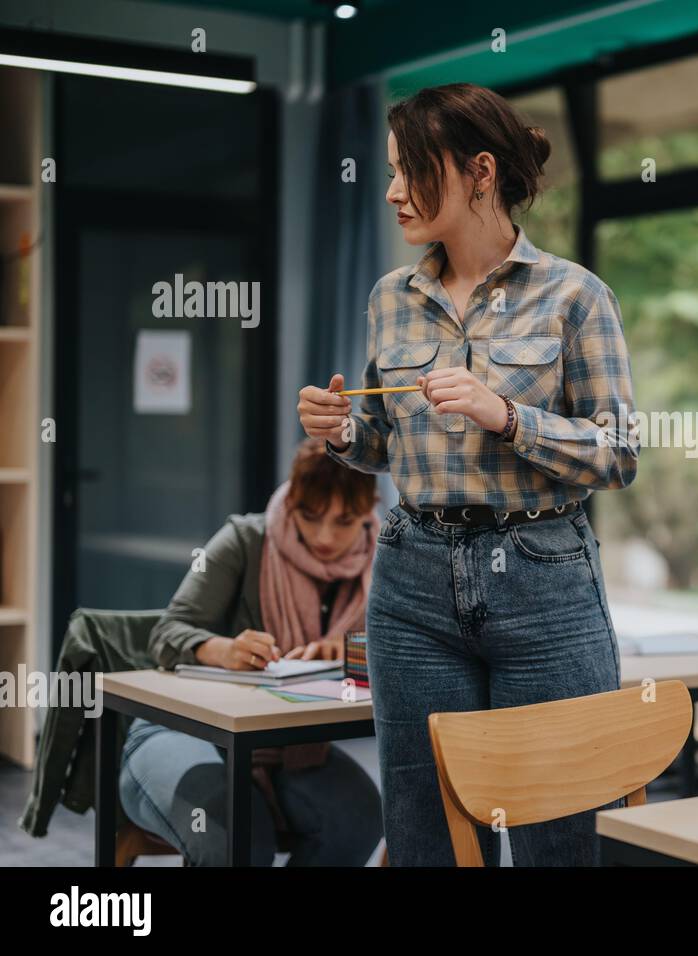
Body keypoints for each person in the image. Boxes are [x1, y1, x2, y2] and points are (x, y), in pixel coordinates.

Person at [296, 83, 638, 865]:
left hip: (544, 582)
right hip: (412, 582)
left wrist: (507, 416)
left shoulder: (575, 296)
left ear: (479, 171)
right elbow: (387, 441)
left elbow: (619, 454)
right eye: (386, 171)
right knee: (425, 836)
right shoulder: (391, 300)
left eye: (406, 171)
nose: (390, 192)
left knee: (557, 835)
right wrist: (344, 430)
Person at [118, 438, 384, 865]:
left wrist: (354, 648)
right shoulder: (244, 540)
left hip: (283, 746)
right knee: (237, 832)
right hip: (182, 731)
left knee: (359, 818)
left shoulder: (383, 561)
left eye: (344, 521)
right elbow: (166, 633)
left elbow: (401, 652)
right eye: (310, 516)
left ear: (369, 512)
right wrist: (223, 650)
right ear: (292, 499)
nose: (324, 537)